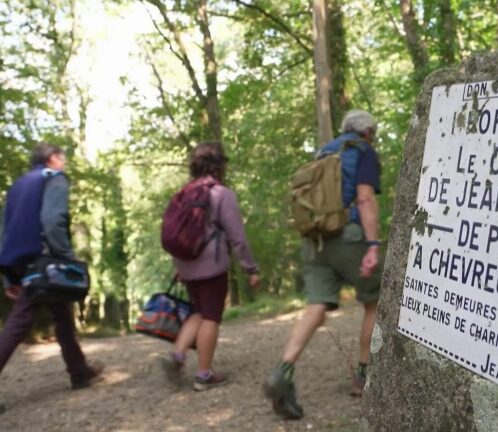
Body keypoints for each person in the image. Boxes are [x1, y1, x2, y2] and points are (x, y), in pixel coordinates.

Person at [0, 143, 103, 416]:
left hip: (23, 262)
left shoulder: (18, 185)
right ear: (52, 159)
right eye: (63, 159)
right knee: (20, 321)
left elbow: (4, 232)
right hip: (45, 261)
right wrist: (66, 258)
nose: (64, 164)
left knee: (61, 314)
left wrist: (8, 275)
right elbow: (52, 220)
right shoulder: (54, 179)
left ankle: (79, 371)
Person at [264, 110, 383, 419]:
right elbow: (365, 199)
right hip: (350, 236)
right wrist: (372, 245)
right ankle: (363, 375)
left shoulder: (324, 152)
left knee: (316, 306)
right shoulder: (362, 151)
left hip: (316, 240)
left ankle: (283, 369)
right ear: (367, 131)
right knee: (375, 301)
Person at [160, 141, 260, 391]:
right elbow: (237, 236)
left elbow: (177, 233)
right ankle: (204, 374)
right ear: (219, 166)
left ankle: (178, 356)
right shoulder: (221, 194)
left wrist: (179, 266)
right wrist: (251, 268)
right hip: (211, 267)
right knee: (211, 316)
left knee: (198, 311)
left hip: (186, 266)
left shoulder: (183, 193)